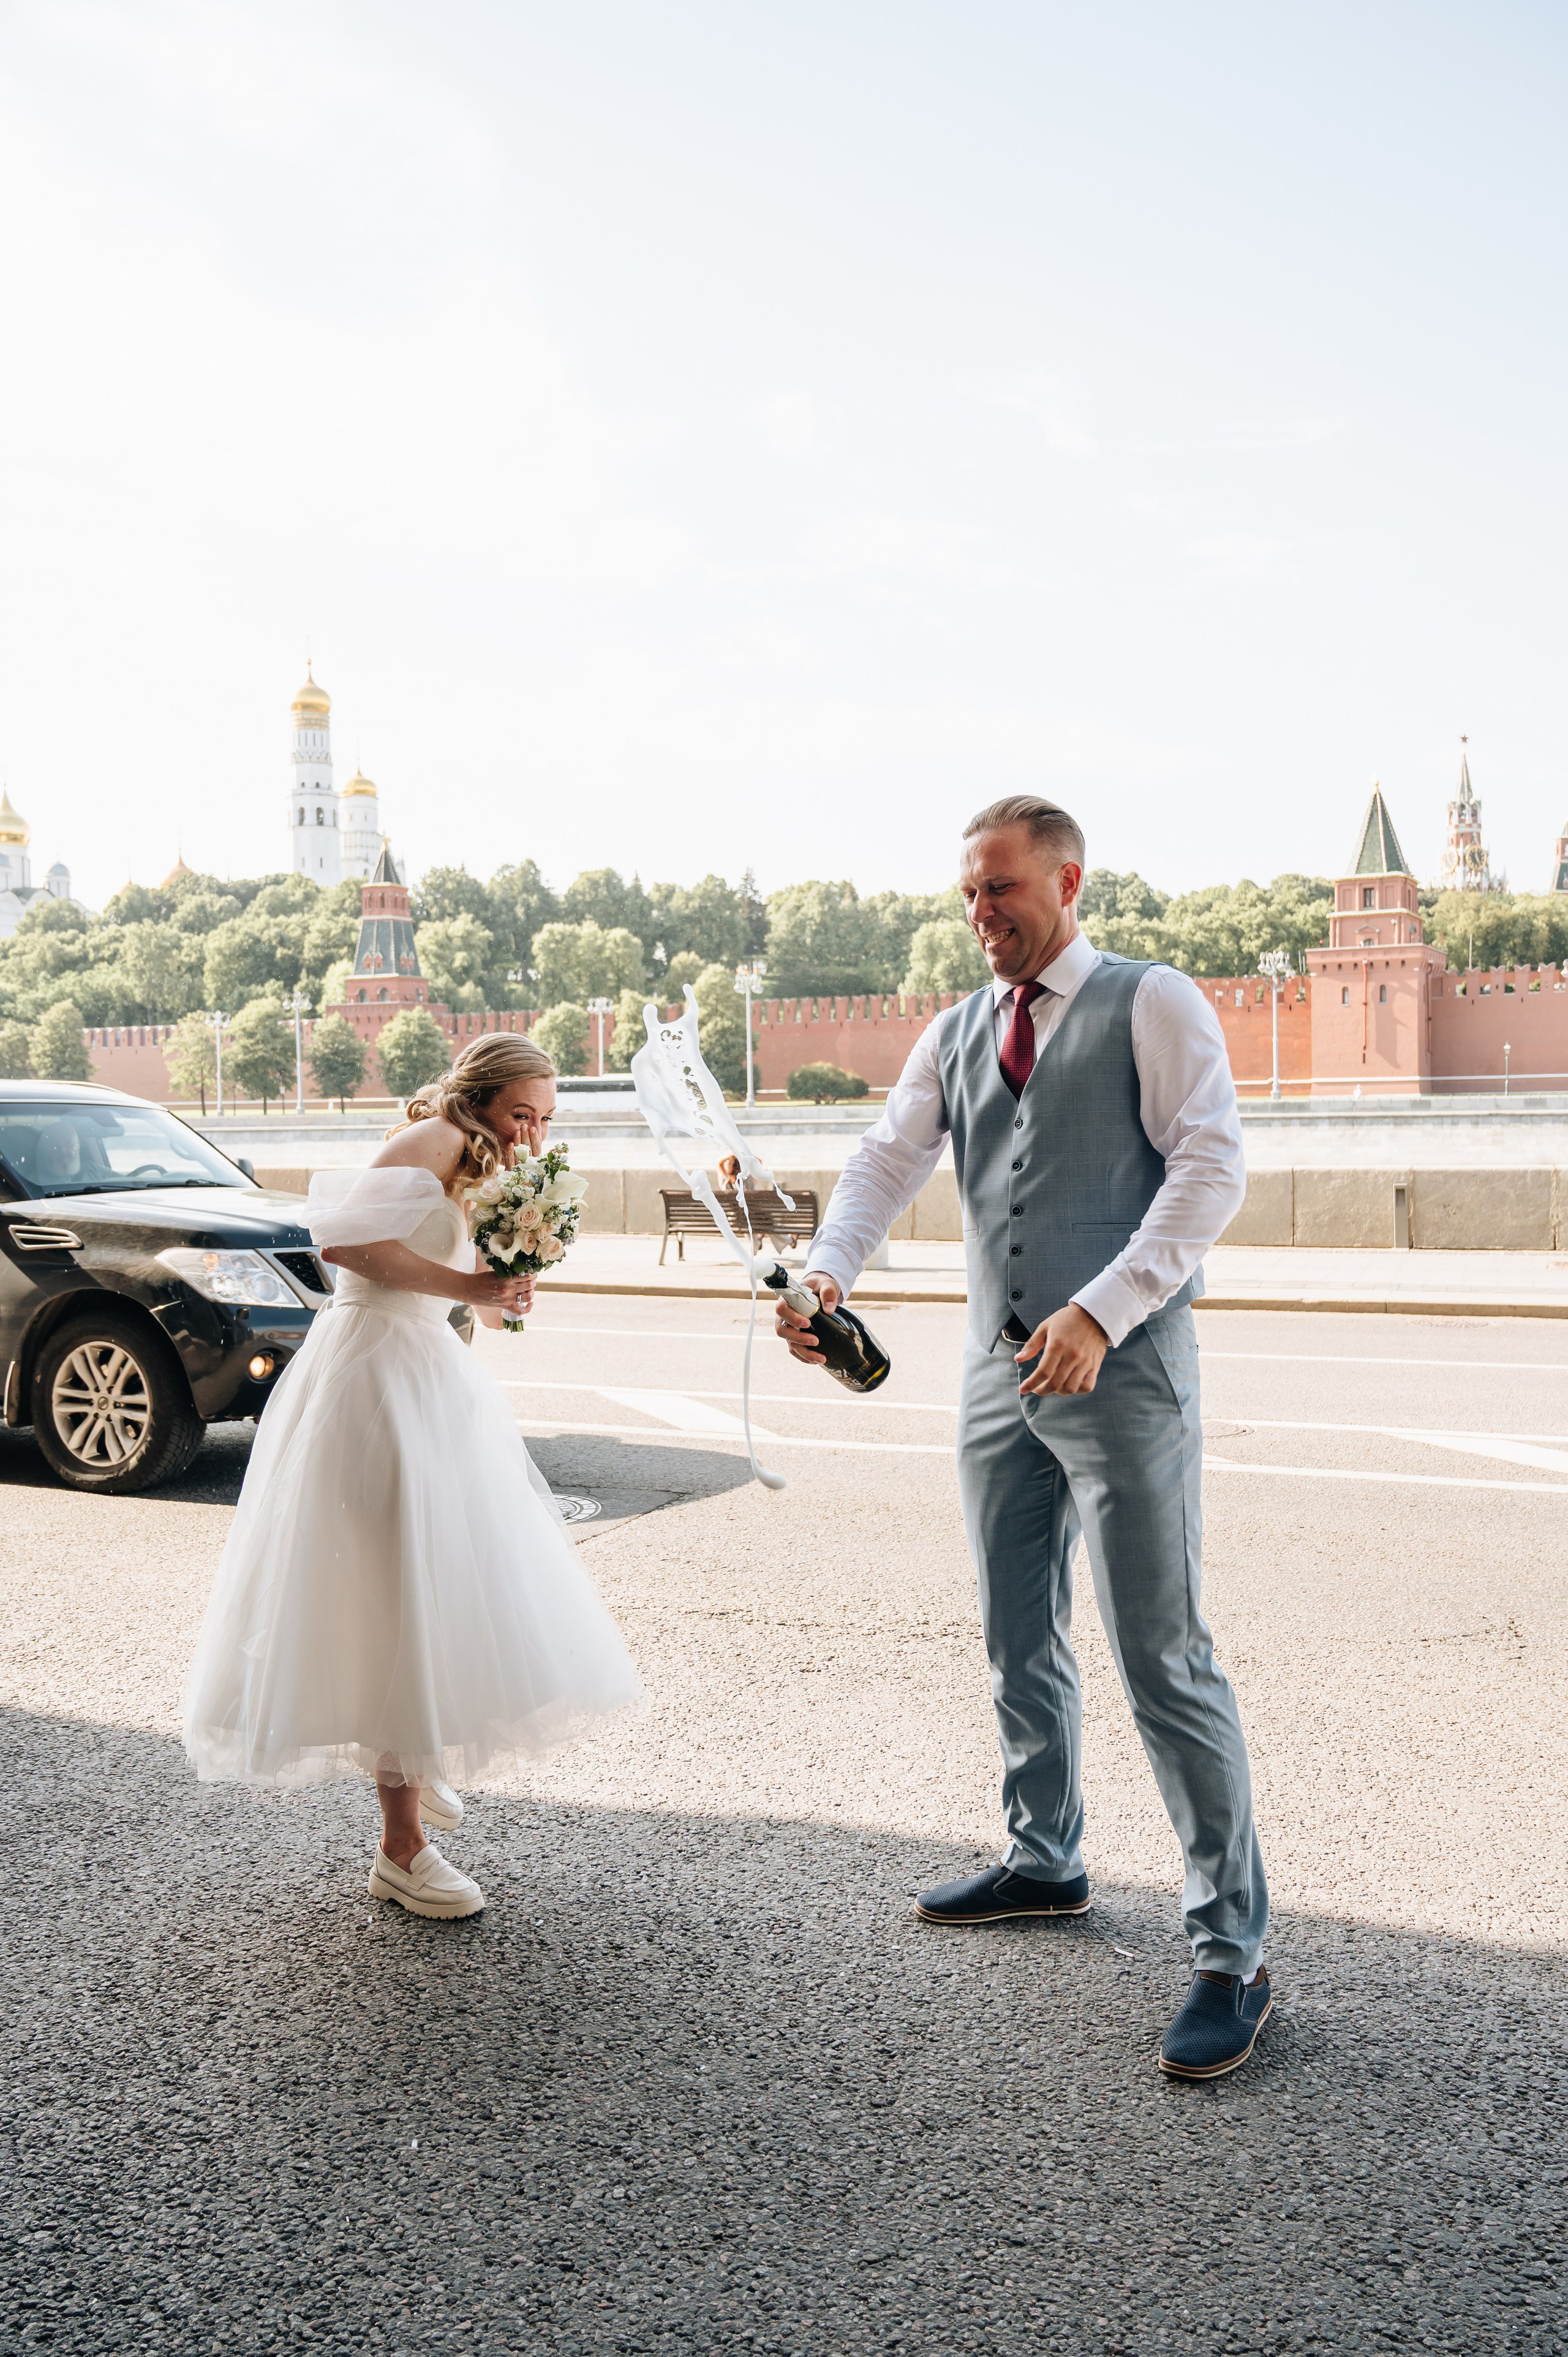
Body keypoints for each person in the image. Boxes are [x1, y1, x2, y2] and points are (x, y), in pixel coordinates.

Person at [775, 796, 1270, 2079]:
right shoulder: (954, 1032)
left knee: (1161, 1655)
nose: (981, 915)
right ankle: (1042, 1857)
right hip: (996, 1377)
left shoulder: (1149, 1003)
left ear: (1066, 882)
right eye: (967, 897)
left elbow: (1208, 1167)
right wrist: (828, 1274)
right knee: (1013, 1626)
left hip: (1123, 1369)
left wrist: (1102, 1312)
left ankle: (1233, 1952)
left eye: (1000, 890)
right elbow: (886, 1161)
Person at [182, 1033, 641, 1920]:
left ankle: (414, 1766)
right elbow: (342, 1248)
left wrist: (498, 1279)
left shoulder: (476, 1157)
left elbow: (437, 1264)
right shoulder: (435, 1137)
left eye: (545, 1119)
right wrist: (469, 1288)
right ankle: (401, 1848)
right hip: (376, 1377)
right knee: (398, 1585)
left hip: (423, 1369)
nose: (532, 1134)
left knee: (435, 1574)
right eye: (521, 1113)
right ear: (480, 1096)